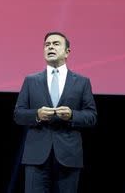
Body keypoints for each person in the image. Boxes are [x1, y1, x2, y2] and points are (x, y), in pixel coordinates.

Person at [14, 31, 97, 193]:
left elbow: (92, 116)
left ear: (67, 52)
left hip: (68, 155)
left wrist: (72, 115)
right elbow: (18, 114)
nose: (50, 47)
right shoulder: (31, 81)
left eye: (55, 44)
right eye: (47, 45)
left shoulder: (82, 82)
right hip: (36, 156)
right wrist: (37, 114)